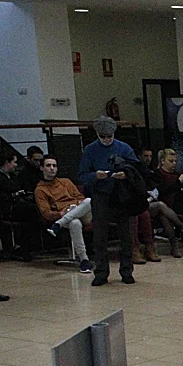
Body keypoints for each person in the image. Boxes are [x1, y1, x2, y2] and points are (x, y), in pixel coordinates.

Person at [78, 115, 138, 286]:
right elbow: (82, 176)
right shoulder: (90, 150)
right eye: (102, 137)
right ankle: (101, 272)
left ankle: (127, 271)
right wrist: (95, 176)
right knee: (100, 237)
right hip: (101, 196)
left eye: (109, 137)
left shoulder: (124, 148)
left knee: (126, 235)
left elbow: (136, 169)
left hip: (121, 195)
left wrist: (125, 174)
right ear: (97, 135)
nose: (106, 140)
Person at [34, 156, 92, 271]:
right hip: (64, 215)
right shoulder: (40, 190)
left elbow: (81, 197)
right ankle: (84, 259)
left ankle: (58, 224)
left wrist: (75, 206)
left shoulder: (66, 182)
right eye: (48, 165)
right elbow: (46, 212)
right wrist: (61, 213)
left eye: (54, 166)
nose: (52, 168)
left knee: (89, 201)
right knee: (75, 223)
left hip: (81, 212)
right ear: (41, 168)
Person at [0, 148, 38, 262]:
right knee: (31, 211)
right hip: (5, 208)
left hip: (15, 204)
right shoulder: (3, 177)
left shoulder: (12, 176)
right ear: (7, 162)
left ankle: (22, 245)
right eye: (14, 162)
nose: (16, 165)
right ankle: (22, 245)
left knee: (31, 210)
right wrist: (13, 194)